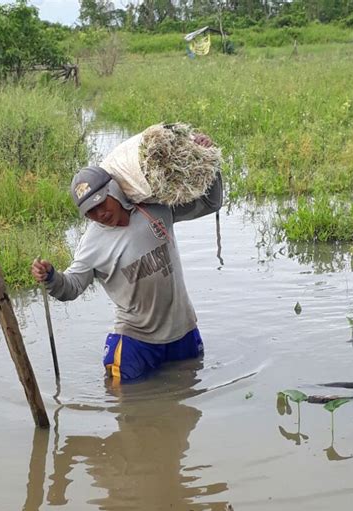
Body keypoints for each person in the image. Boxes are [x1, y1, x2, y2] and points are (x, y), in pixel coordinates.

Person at [31, 134, 223, 382]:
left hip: (183, 330)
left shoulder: (154, 207)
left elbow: (211, 203)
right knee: (127, 406)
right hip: (136, 340)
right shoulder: (91, 244)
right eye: (90, 212)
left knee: (187, 403)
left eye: (101, 203)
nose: (100, 214)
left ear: (113, 189)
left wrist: (210, 163)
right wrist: (51, 277)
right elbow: (71, 287)